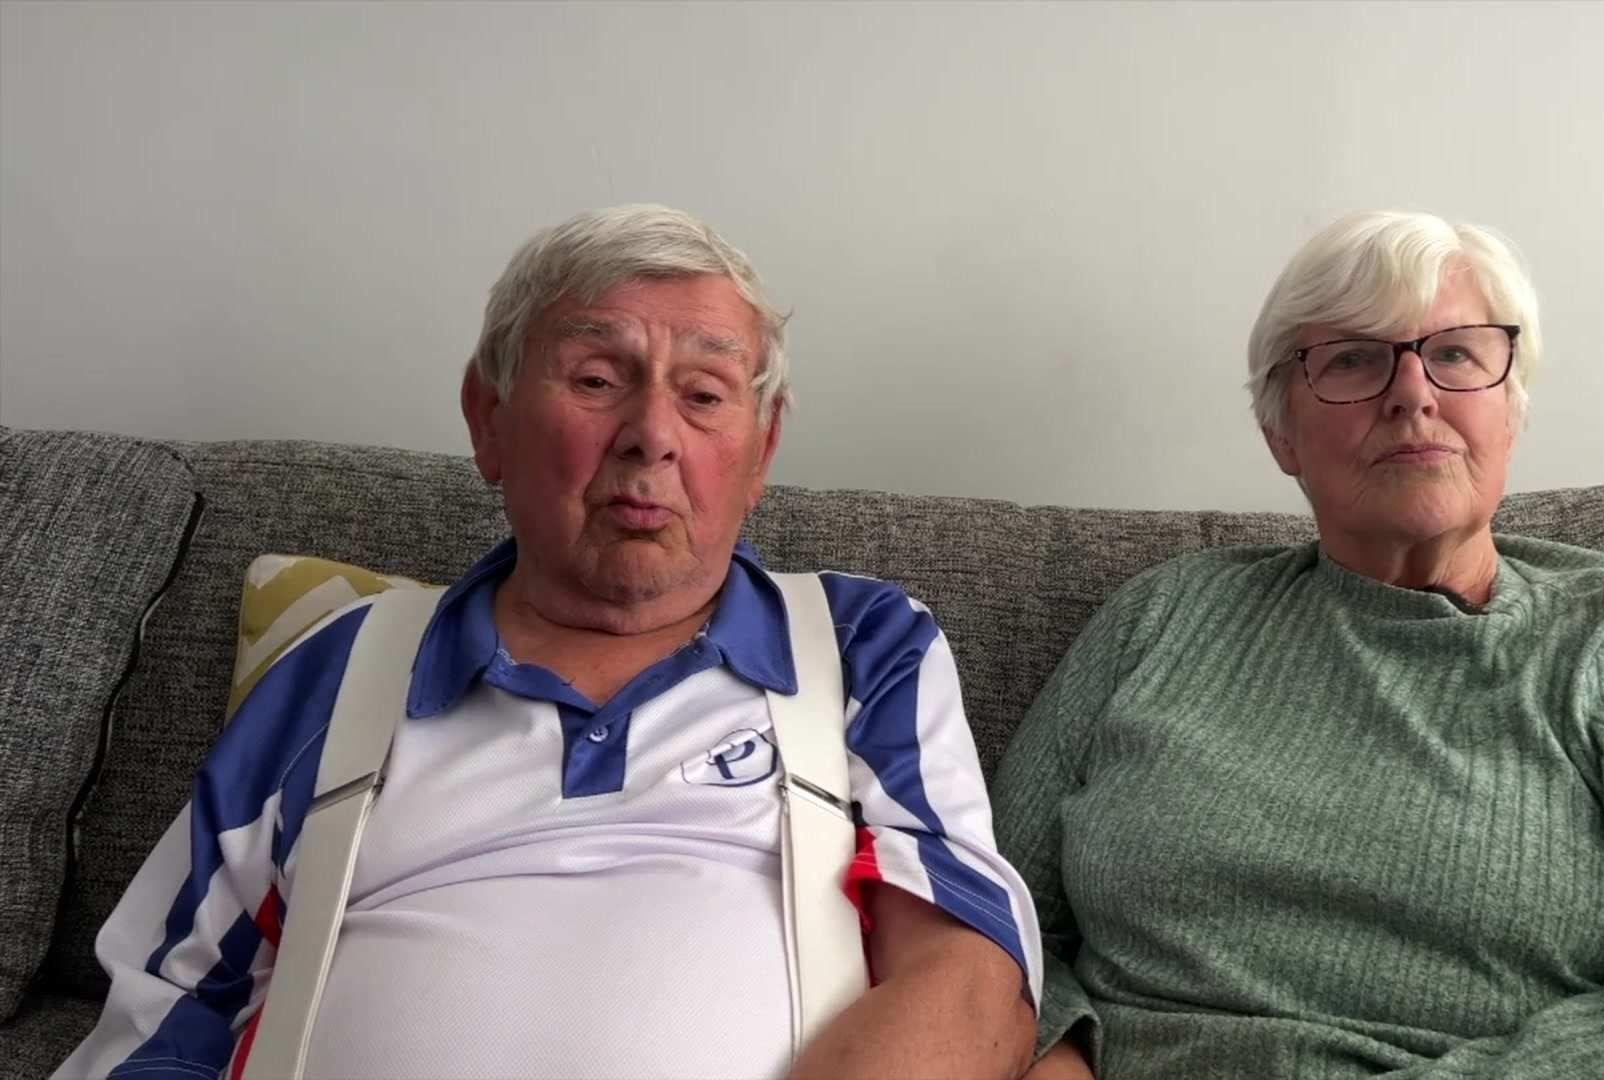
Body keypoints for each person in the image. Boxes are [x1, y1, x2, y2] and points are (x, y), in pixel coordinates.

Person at [59, 204, 1039, 1080]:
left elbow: (968, 982)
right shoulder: (345, 664)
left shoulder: (860, 645)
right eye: (598, 378)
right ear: (488, 418)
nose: (651, 434)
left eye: (703, 394)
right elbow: (165, 1021)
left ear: (762, 451)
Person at [994, 210, 1604, 1079]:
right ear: (1281, 437)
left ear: (1512, 410)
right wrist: (1059, 1049)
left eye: (1454, 354)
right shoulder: (1167, 614)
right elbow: (984, 903)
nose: (1412, 394)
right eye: (1352, 360)